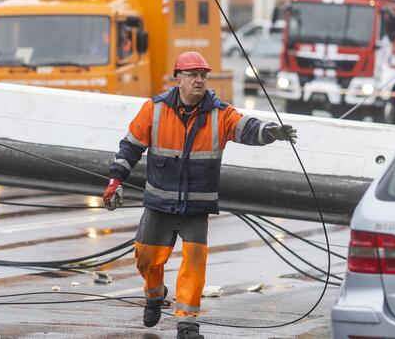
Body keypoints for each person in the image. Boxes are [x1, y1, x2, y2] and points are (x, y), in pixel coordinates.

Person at [102, 51, 297, 339]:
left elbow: (246, 128)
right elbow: (130, 147)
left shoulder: (220, 114)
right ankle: (154, 296)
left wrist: (271, 132)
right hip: (159, 206)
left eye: (203, 74)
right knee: (147, 260)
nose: (199, 80)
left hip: (195, 209)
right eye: (193, 74)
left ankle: (188, 323)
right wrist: (114, 181)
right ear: (178, 78)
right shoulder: (154, 110)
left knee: (194, 264)